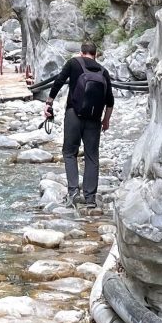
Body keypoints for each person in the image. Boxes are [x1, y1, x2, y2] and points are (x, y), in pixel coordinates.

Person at [45, 41, 114, 209]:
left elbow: (59, 81)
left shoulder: (74, 63)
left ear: (82, 53)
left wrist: (49, 103)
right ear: (95, 54)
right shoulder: (103, 71)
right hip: (94, 119)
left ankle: (74, 192)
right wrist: (106, 120)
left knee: (69, 152)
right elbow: (110, 101)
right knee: (92, 156)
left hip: (73, 114)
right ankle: (90, 198)